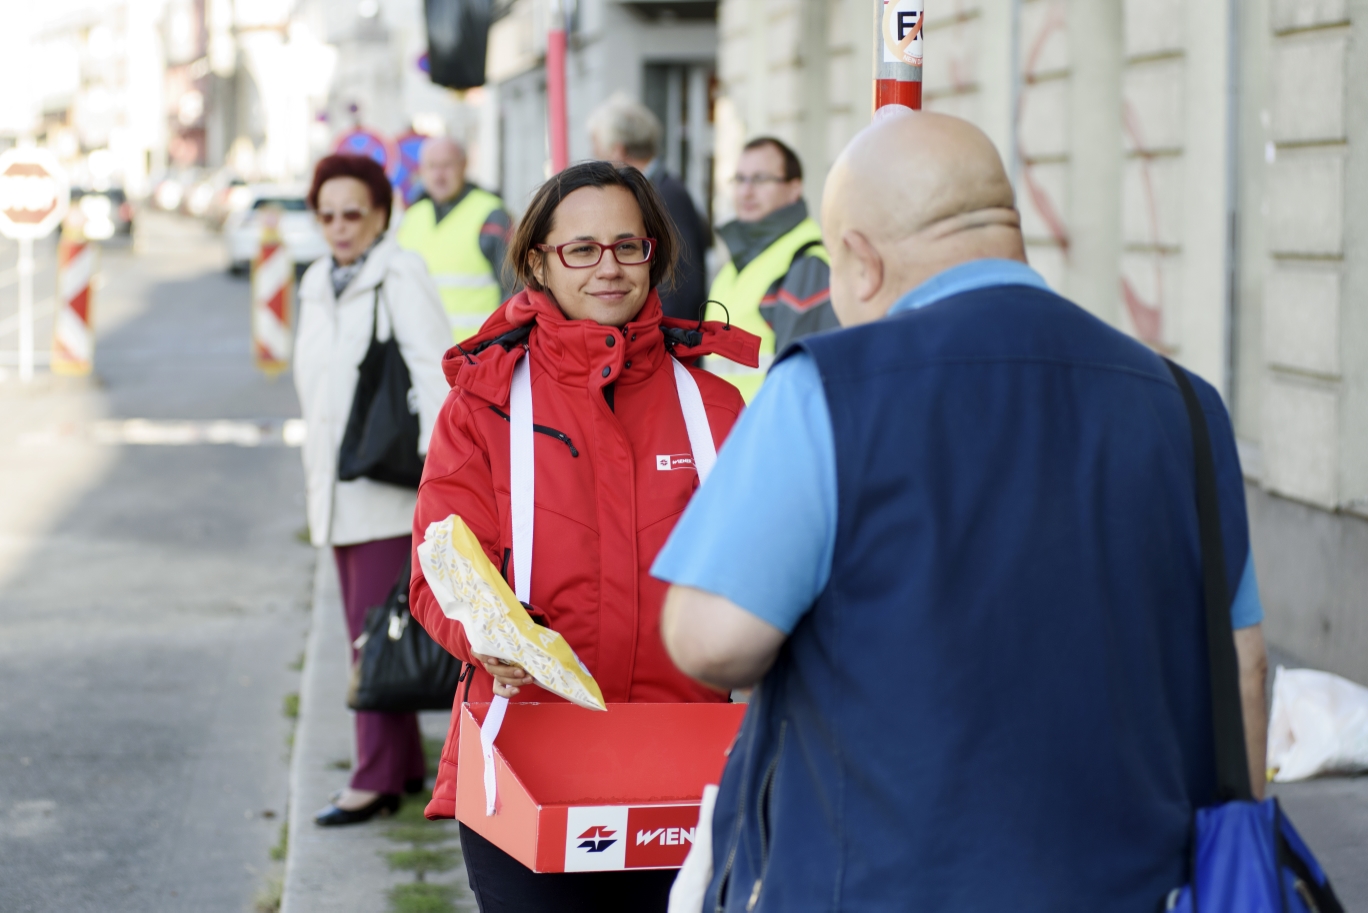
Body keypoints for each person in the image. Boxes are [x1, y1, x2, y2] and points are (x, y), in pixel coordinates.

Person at [655, 111, 1271, 910]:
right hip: (1137, 883)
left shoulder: (828, 387)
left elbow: (712, 640)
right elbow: (1244, 666)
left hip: (884, 881)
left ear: (860, 260)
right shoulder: (1187, 406)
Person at [408, 161, 758, 911]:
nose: (609, 267)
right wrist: (484, 638)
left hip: (690, 757)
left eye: (629, 247)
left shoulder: (714, 403)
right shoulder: (488, 400)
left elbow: (766, 569)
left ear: (655, 255)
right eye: (582, 249)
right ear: (538, 260)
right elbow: (439, 569)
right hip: (531, 757)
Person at [294, 154, 452, 826]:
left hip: (387, 489)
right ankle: (404, 763)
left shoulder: (400, 273)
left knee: (372, 636)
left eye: (352, 213)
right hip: (337, 485)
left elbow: (439, 377)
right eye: (326, 214)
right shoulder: (314, 282)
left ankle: (375, 777)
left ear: (381, 214)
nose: (339, 227)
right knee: (369, 629)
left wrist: (441, 478)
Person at [705, 136, 839, 400]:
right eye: (740, 179)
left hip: (767, 435)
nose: (746, 192)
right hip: (725, 434)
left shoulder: (805, 263)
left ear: (794, 188)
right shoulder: (736, 264)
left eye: (761, 179)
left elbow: (803, 384)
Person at [589, 93, 710, 323]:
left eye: (596, 146)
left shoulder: (665, 195)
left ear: (617, 150)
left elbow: (682, 282)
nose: (595, 155)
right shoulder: (654, 189)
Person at [396, 136, 513, 341]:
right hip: (420, 355)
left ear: (464, 165)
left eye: (446, 166)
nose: (438, 175)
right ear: (421, 170)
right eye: (431, 166)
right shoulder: (411, 217)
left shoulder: (491, 214)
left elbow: (514, 289)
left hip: (476, 355)